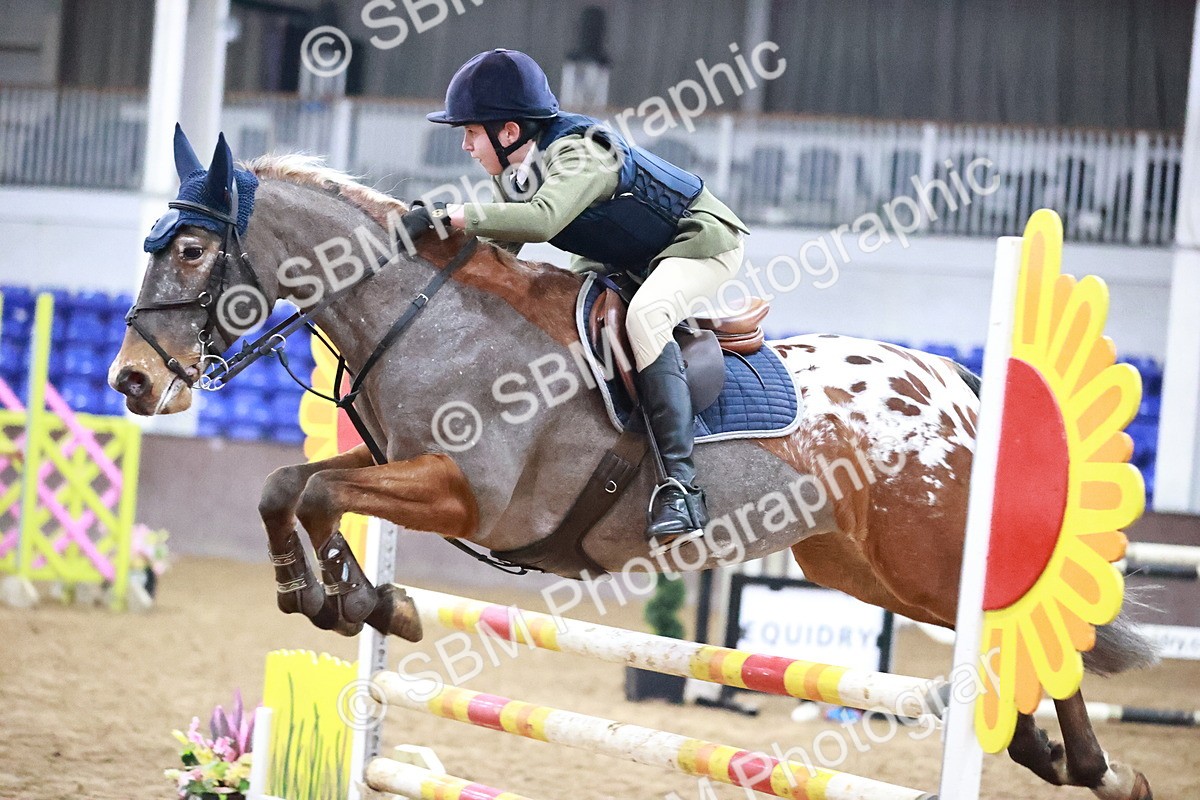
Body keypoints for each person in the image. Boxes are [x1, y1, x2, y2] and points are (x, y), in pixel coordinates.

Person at [413, 48, 749, 551]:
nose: (464, 145)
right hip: (619, 255)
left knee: (647, 318)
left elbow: (544, 220)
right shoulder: (516, 169)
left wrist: (453, 215)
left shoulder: (580, 153)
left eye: (471, 132)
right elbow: (502, 252)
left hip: (695, 243)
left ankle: (681, 487)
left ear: (509, 132)